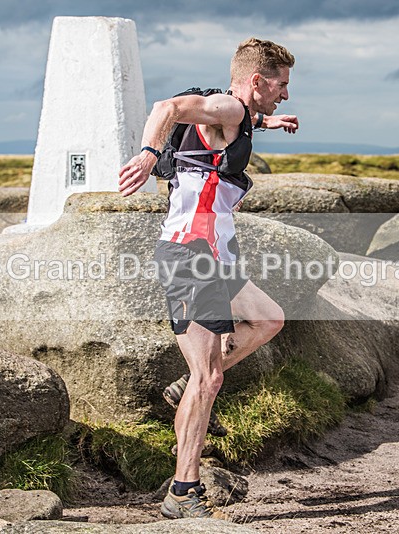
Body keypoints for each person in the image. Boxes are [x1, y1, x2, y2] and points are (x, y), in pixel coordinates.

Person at [118, 37, 298, 520]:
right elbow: (168, 106)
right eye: (280, 87)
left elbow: (230, 121)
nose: (285, 95)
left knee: (268, 319)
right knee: (211, 376)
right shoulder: (227, 109)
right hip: (190, 255)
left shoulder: (235, 115)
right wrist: (150, 152)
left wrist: (268, 122)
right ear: (257, 80)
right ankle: (183, 490)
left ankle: (185, 388)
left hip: (214, 255)